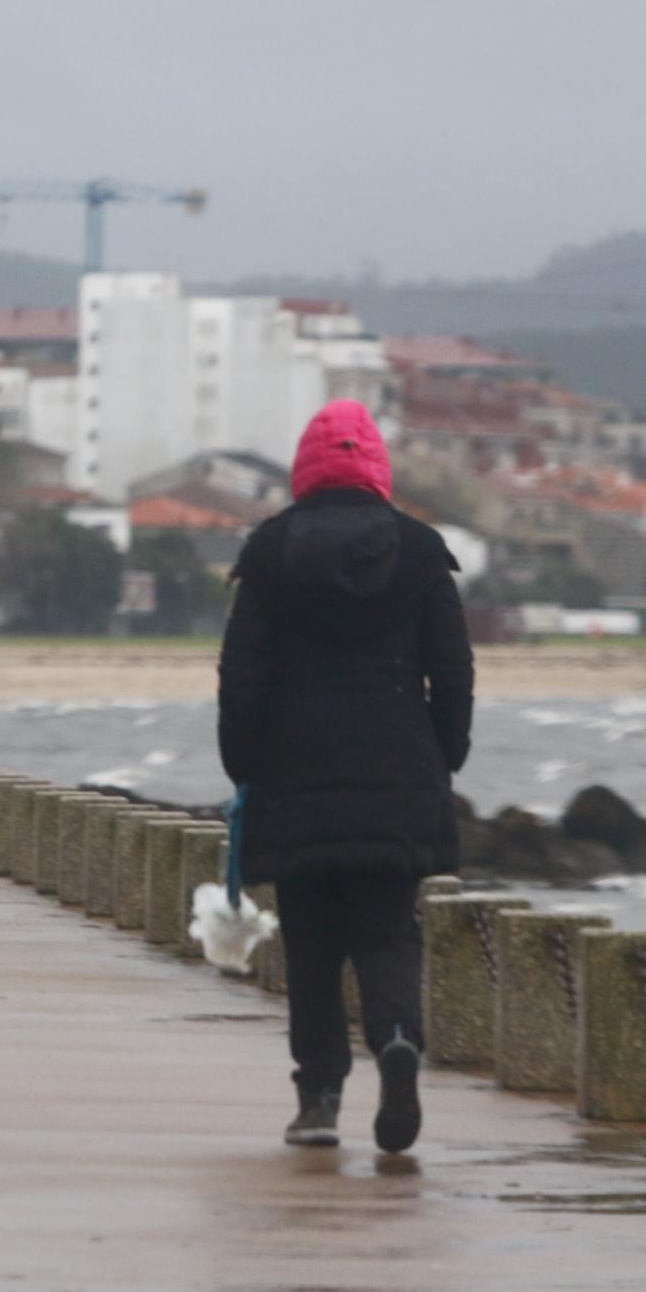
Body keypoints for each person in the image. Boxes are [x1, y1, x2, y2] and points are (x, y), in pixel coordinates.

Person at [217, 399, 474, 1153]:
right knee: (389, 929)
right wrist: (444, 756)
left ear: (304, 469)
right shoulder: (423, 552)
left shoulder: (268, 553)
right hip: (400, 770)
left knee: (312, 941)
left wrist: (244, 764)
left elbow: (242, 676)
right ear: (378, 471)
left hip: (295, 772)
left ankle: (320, 1095)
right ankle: (396, 1038)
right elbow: (453, 669)